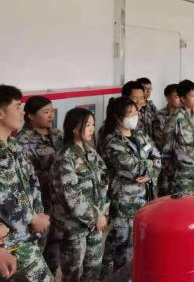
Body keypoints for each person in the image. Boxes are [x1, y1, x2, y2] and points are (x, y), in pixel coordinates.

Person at [99, 97, 160, 278]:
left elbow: (157, 156)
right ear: (118, 118)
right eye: (130, 113)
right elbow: (132, 169)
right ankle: (121, 275)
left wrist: (150, 172)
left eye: (136, 112)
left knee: (134, 239)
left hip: (145, 196)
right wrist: (150, 165)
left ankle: (110, 273)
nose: (135, 116)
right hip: (125, 201)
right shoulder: (112, 142)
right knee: (125, 245)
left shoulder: (139, 135)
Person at [50, 108, 109, 282]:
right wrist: (95, 217)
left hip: (95, 224)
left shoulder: (90, 151)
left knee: (93, 269)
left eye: (92, 124)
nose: (91, 129)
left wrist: (102, 212)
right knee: (73, 274)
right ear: (74, 128)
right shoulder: (65, 157)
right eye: (87, 125)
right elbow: (71, 195)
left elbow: (104, 179)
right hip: (73, 228)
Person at [0, 85, 52, 281]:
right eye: (17, 107)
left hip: (28, 235)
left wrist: (38, 214)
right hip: (10, 243)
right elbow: (5, 197)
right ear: (1, 113)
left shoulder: (14, 146)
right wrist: (31, 218)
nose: (22, 112)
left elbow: (32, 183)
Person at [15, 96, 64, 275]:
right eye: (45, 112)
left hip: (58, 203)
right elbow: (26, 178)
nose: (51, 115)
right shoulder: (23, 141)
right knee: (38, 248)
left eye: (52, 111)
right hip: (39, 205)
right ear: (30, 115)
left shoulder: (57, 134)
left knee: (55, 248)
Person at [163, 80, 194, 197]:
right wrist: (167, 177)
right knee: (182, 203)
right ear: (182, 99)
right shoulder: (175, 117)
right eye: (193, 96)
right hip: (181, 173)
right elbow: (166, 148)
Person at [153, 83, 181, 151]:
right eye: (177, 97)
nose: (180, 99)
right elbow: (160, 140)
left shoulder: (184, 114)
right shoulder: (159, 116)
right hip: (167, 153)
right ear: (168, 98)